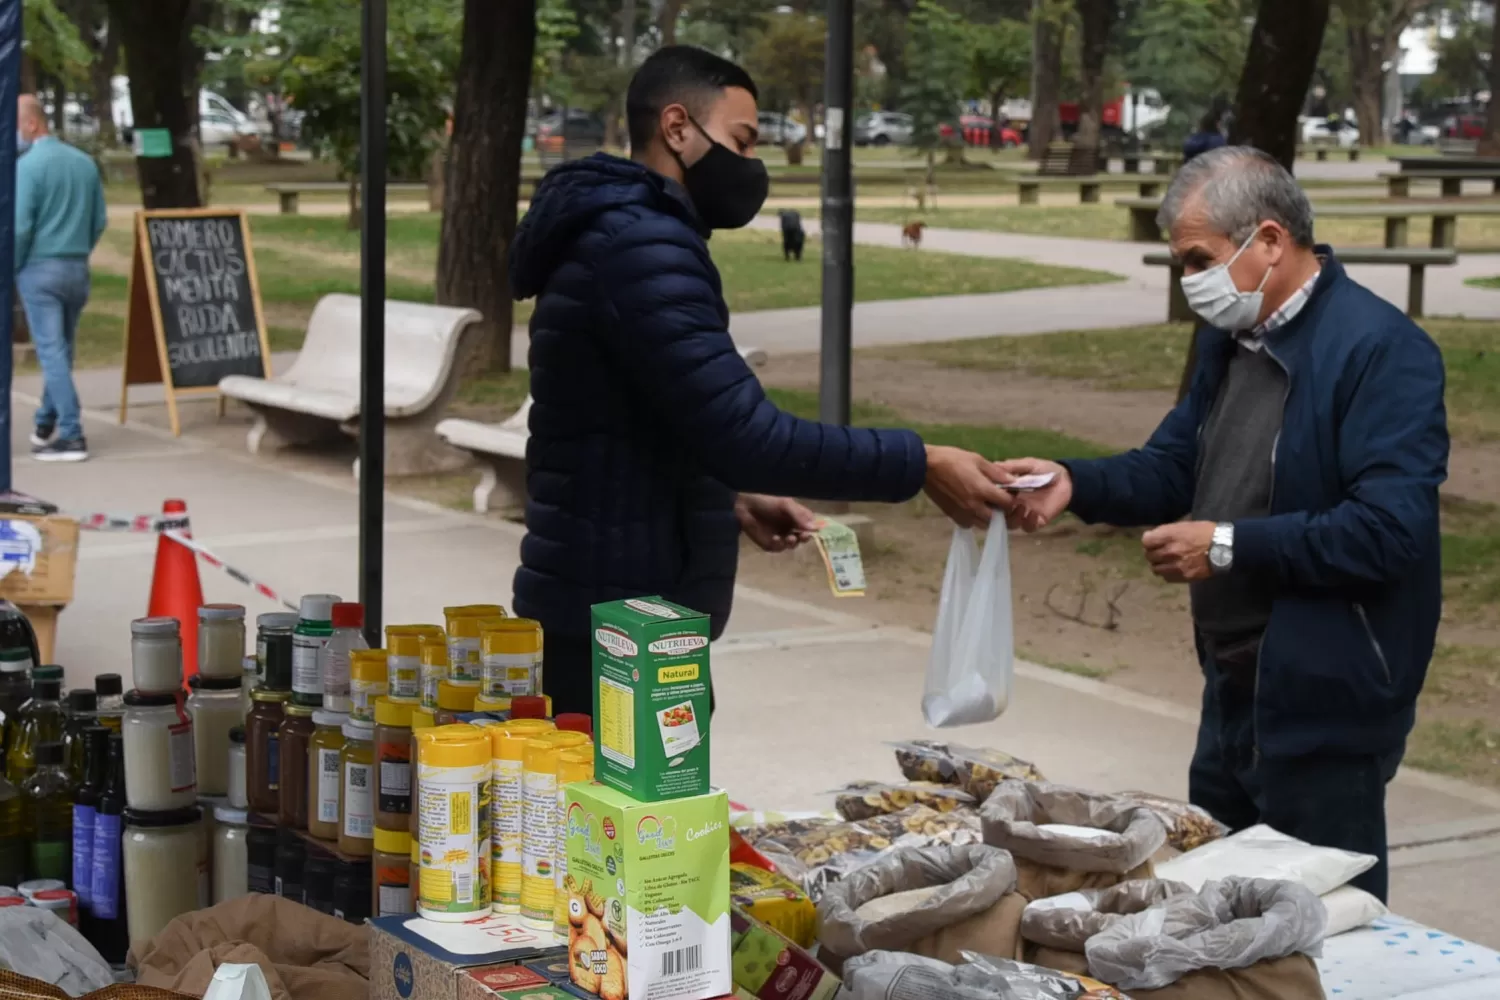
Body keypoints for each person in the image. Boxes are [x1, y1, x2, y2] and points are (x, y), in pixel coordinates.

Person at [1000, 146, 1447, 902]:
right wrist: (1075, 482)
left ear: (1269, 241)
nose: (1190, 282)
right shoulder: (1230, 339)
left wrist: (1229, 546)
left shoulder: (1381, 350)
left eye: (1199, 259)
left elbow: (1388, 530)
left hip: (1329, 691)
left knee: (1318, 931)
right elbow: (1175, 468)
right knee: (1214, 920)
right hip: (1233, 681)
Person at [509, 46, 1014, 714]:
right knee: (632, 819)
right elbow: (749, 435)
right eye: (742, 141)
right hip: (623, 634)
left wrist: (725, 500)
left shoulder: (619, 232)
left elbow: (640, 421)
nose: (751, 167)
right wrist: (920, 462)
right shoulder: (641, 246)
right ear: (678, 128)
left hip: (608, 609)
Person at [15, 94, 107, 462]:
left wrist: (14, 267)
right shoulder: (84, 164)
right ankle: (44, 422)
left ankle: (71, 433)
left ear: (32, 124)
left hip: (39, 268)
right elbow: (99, 220)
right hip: (76, 266)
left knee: (51, 353)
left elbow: (21, 227)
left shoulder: (28, 166)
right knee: (62, 351)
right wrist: (79, 248)